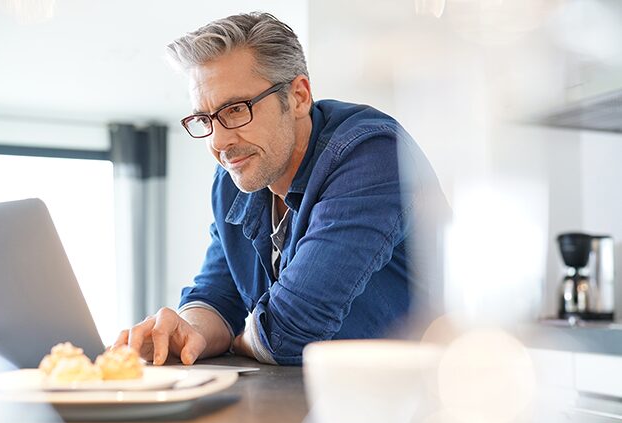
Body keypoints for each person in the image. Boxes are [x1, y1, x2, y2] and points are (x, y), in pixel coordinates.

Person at [115, 12, 448, 366]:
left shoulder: (373, 154)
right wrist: (186, 330)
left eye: (235, 109)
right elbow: (218, 296)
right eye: (205, 119)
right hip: (306, 401)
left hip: (413, 405)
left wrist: (239, 339)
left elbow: (290, 331)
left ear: (299, 97)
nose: (219, 141)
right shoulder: (236, 176)